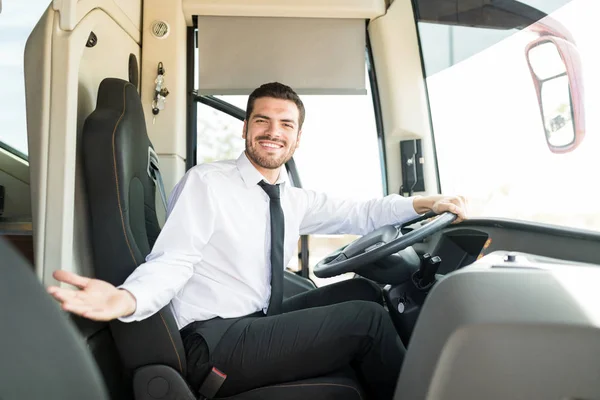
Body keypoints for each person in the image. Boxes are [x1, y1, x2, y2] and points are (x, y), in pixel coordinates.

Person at [48, 82, 468, 400]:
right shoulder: (207, 183)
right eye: (262, 120)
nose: (273, 132)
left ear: (297, 138)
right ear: (246, 128)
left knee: (364, 290)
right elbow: (174, 260)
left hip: (256, 322)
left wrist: (427, 202)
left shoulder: (292, 196)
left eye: (286, 124)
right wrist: (126, 299)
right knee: (368, 320)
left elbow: (362, 213)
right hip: (212, 341)